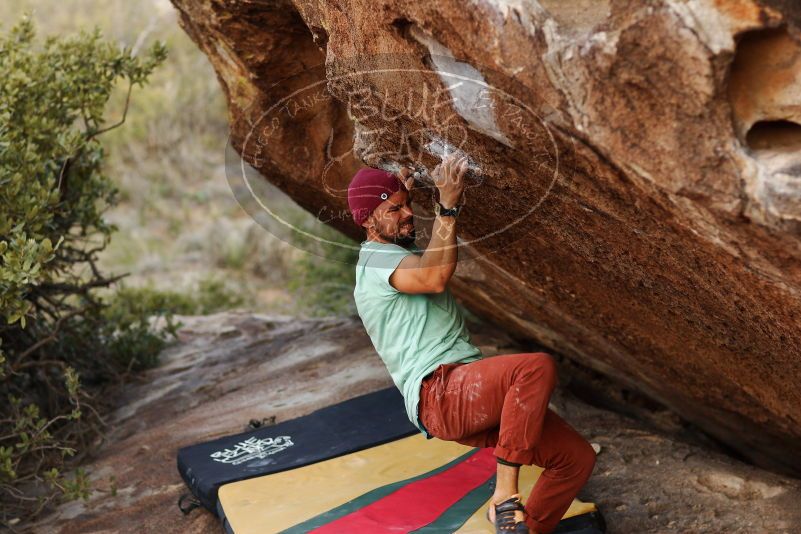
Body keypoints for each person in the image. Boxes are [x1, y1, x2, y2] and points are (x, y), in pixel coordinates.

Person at [348, 153, 596, 534]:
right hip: (441, 392)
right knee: (533, 368)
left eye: (408, 206)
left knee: (575, 458)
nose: (408, 213)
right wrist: (447, 207)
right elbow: (433, 277)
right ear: (367, 220)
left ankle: (528, 531)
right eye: (395, 209)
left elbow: (421, 255)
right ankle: (504, 496)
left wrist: (398, 188)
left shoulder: (393, 255)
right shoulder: (375, 260)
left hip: (465, 394)